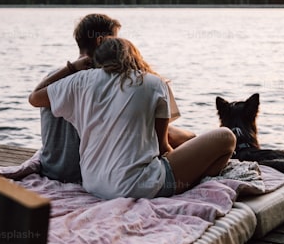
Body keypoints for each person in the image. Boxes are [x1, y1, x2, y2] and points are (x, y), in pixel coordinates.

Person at [29, 37, 236, 200]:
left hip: (93, 184)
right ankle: (194, 183)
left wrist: (71, 68)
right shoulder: (154, 83)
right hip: (137, 187)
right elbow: (163, 147)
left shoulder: (79, 81)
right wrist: (187, 166)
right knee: (226, 137)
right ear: (135, 57)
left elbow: (34, 97)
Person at [36, 14, 194, 184]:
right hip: (82, 172)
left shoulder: (53, 79)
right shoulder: (99, 81)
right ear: (101, 41)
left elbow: (34, 98)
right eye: (115, 39)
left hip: (51, 168)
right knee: (172, 134)